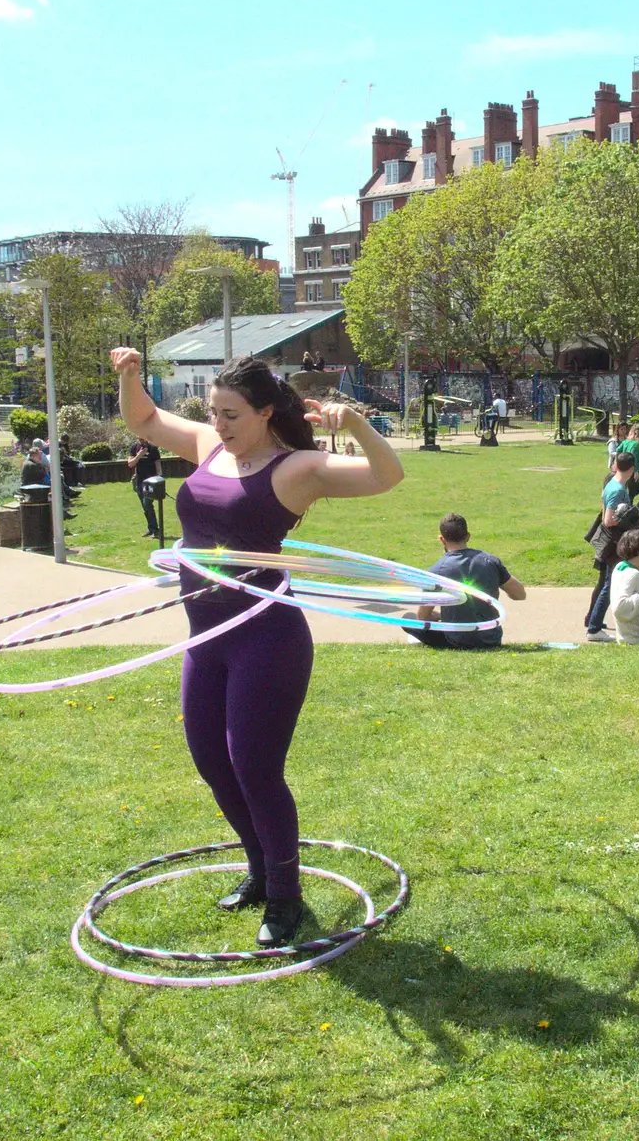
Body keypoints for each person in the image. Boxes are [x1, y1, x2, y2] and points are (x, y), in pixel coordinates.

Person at [110, 345, 404, 947]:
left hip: (266, 638)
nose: (218, 425)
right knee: (212, 763)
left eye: (231, 415)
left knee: (255, 767)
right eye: (213, 413)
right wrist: (130, 375)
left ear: (267, 413)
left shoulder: (295, 468)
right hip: (205, 636)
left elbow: (386, 476)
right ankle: (259, 872)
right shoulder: (208, 448)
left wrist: (354, 423)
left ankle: (288, 898)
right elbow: (142, 422)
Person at [405, 512, 525, 649]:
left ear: (441, 539)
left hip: (456, 641)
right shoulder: (490, 561)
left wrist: (441, 616)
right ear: (468, 536)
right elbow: (520, 595)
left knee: (408, 618)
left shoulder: (436, 572)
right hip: (491, 639)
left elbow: (422, 617)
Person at [586, 452, 639, 641]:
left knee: (608, 584)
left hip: (613, 541)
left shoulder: (612, 484)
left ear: (615, 465)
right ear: (632, 469)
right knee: (609, 585)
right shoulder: (617, 490)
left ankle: (595, 624)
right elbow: (608, 520)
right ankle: (593, 629)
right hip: (614, 543)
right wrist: (630, 518)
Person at [127, 439, 163, 536]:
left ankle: (155, 530)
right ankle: (152, 528)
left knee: (147, 504)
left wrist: (159, 479)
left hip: (151, 482)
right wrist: (139, 455)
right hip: (139, 482)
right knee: (145, 507)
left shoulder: (153, 448)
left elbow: (158, 466)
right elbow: (130, 464)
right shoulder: (134, 447)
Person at [616, 423, 639, 504]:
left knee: (630, 488)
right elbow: (634, 457)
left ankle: (626, 501)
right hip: (631, 469)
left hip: (623, 467)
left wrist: (617, 461)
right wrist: (636, 471)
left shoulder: (626, 441)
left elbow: (618, 450)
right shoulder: (636, 445)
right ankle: (627, 503)